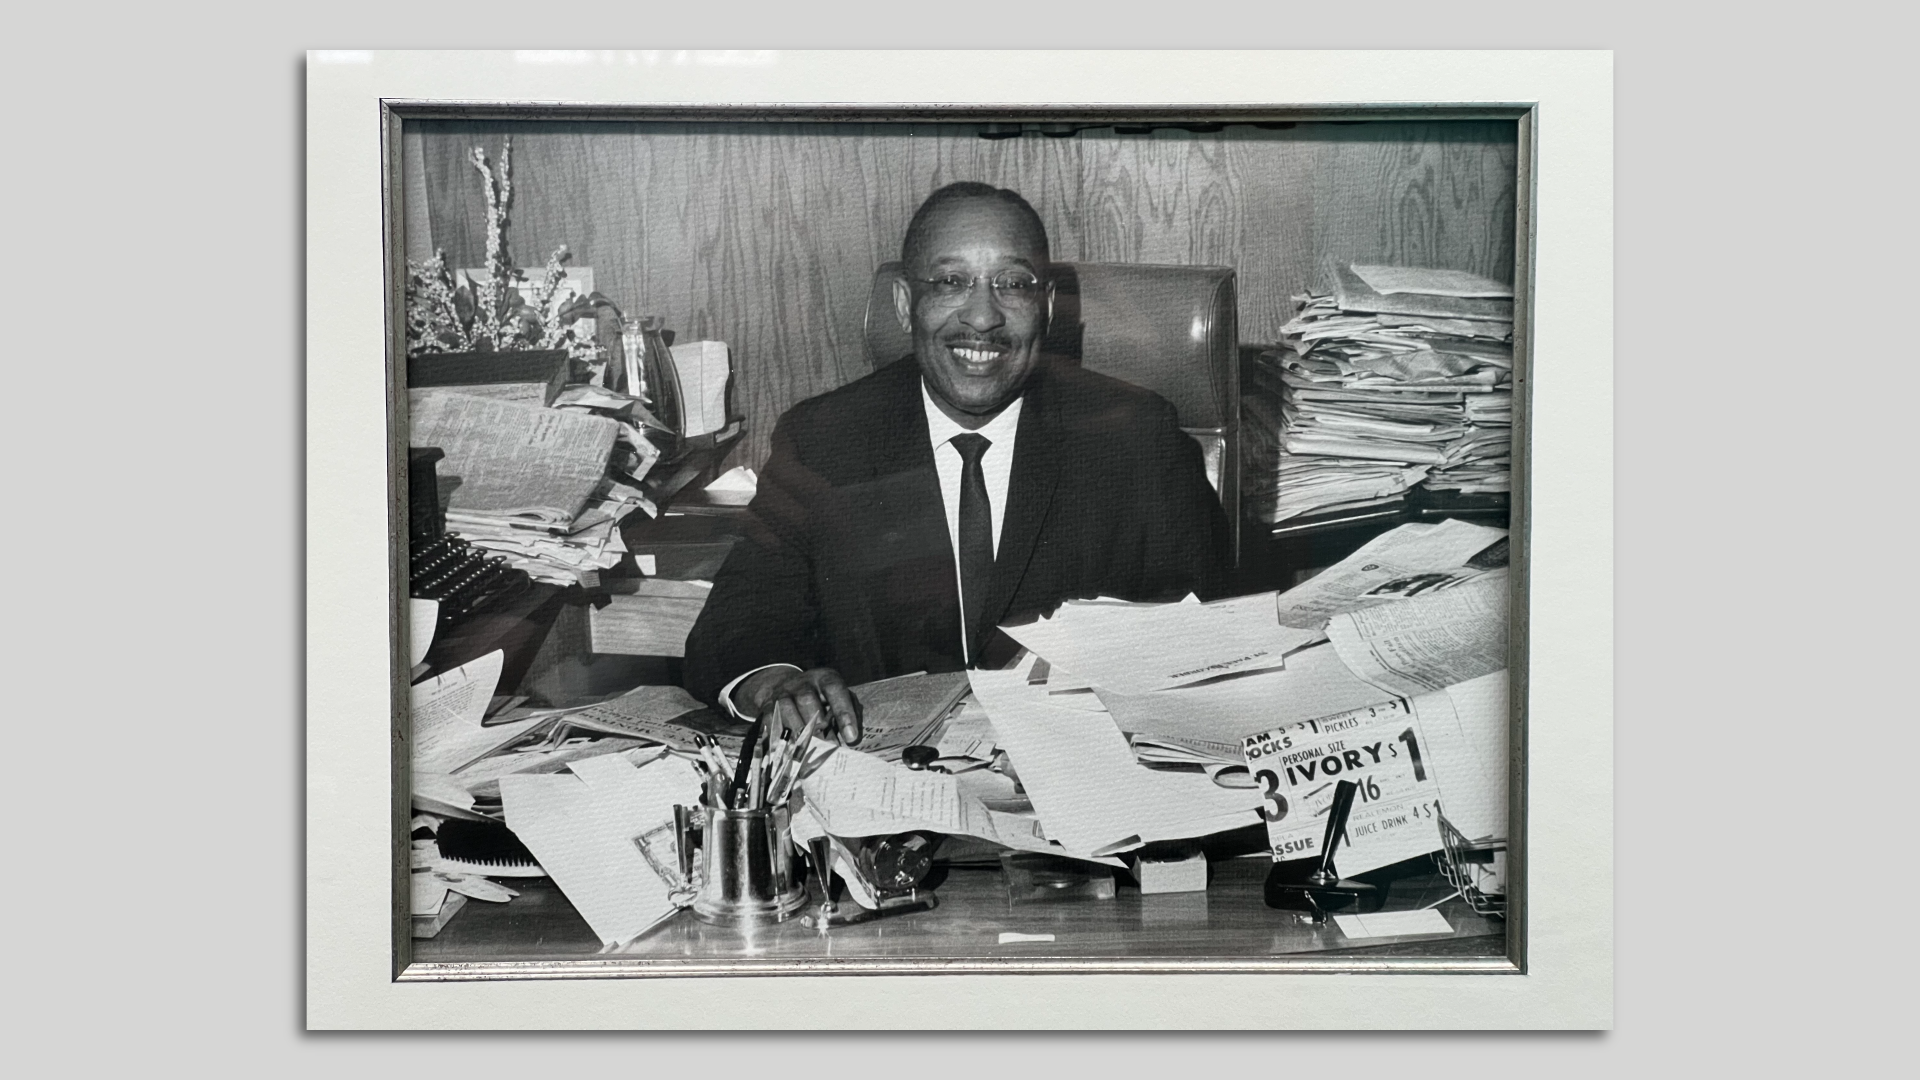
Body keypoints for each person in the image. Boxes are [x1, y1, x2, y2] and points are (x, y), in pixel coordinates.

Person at [683, 182, 1229, 745]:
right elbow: (738, 621)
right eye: (951, 282)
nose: (983, 316)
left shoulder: (1136, 437)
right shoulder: (825, 439)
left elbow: (1206, 629)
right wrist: (777, 682)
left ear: (1044, 308)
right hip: (882, 787)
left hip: (1082, 767)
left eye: (1012, 285)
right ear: (904, 304)